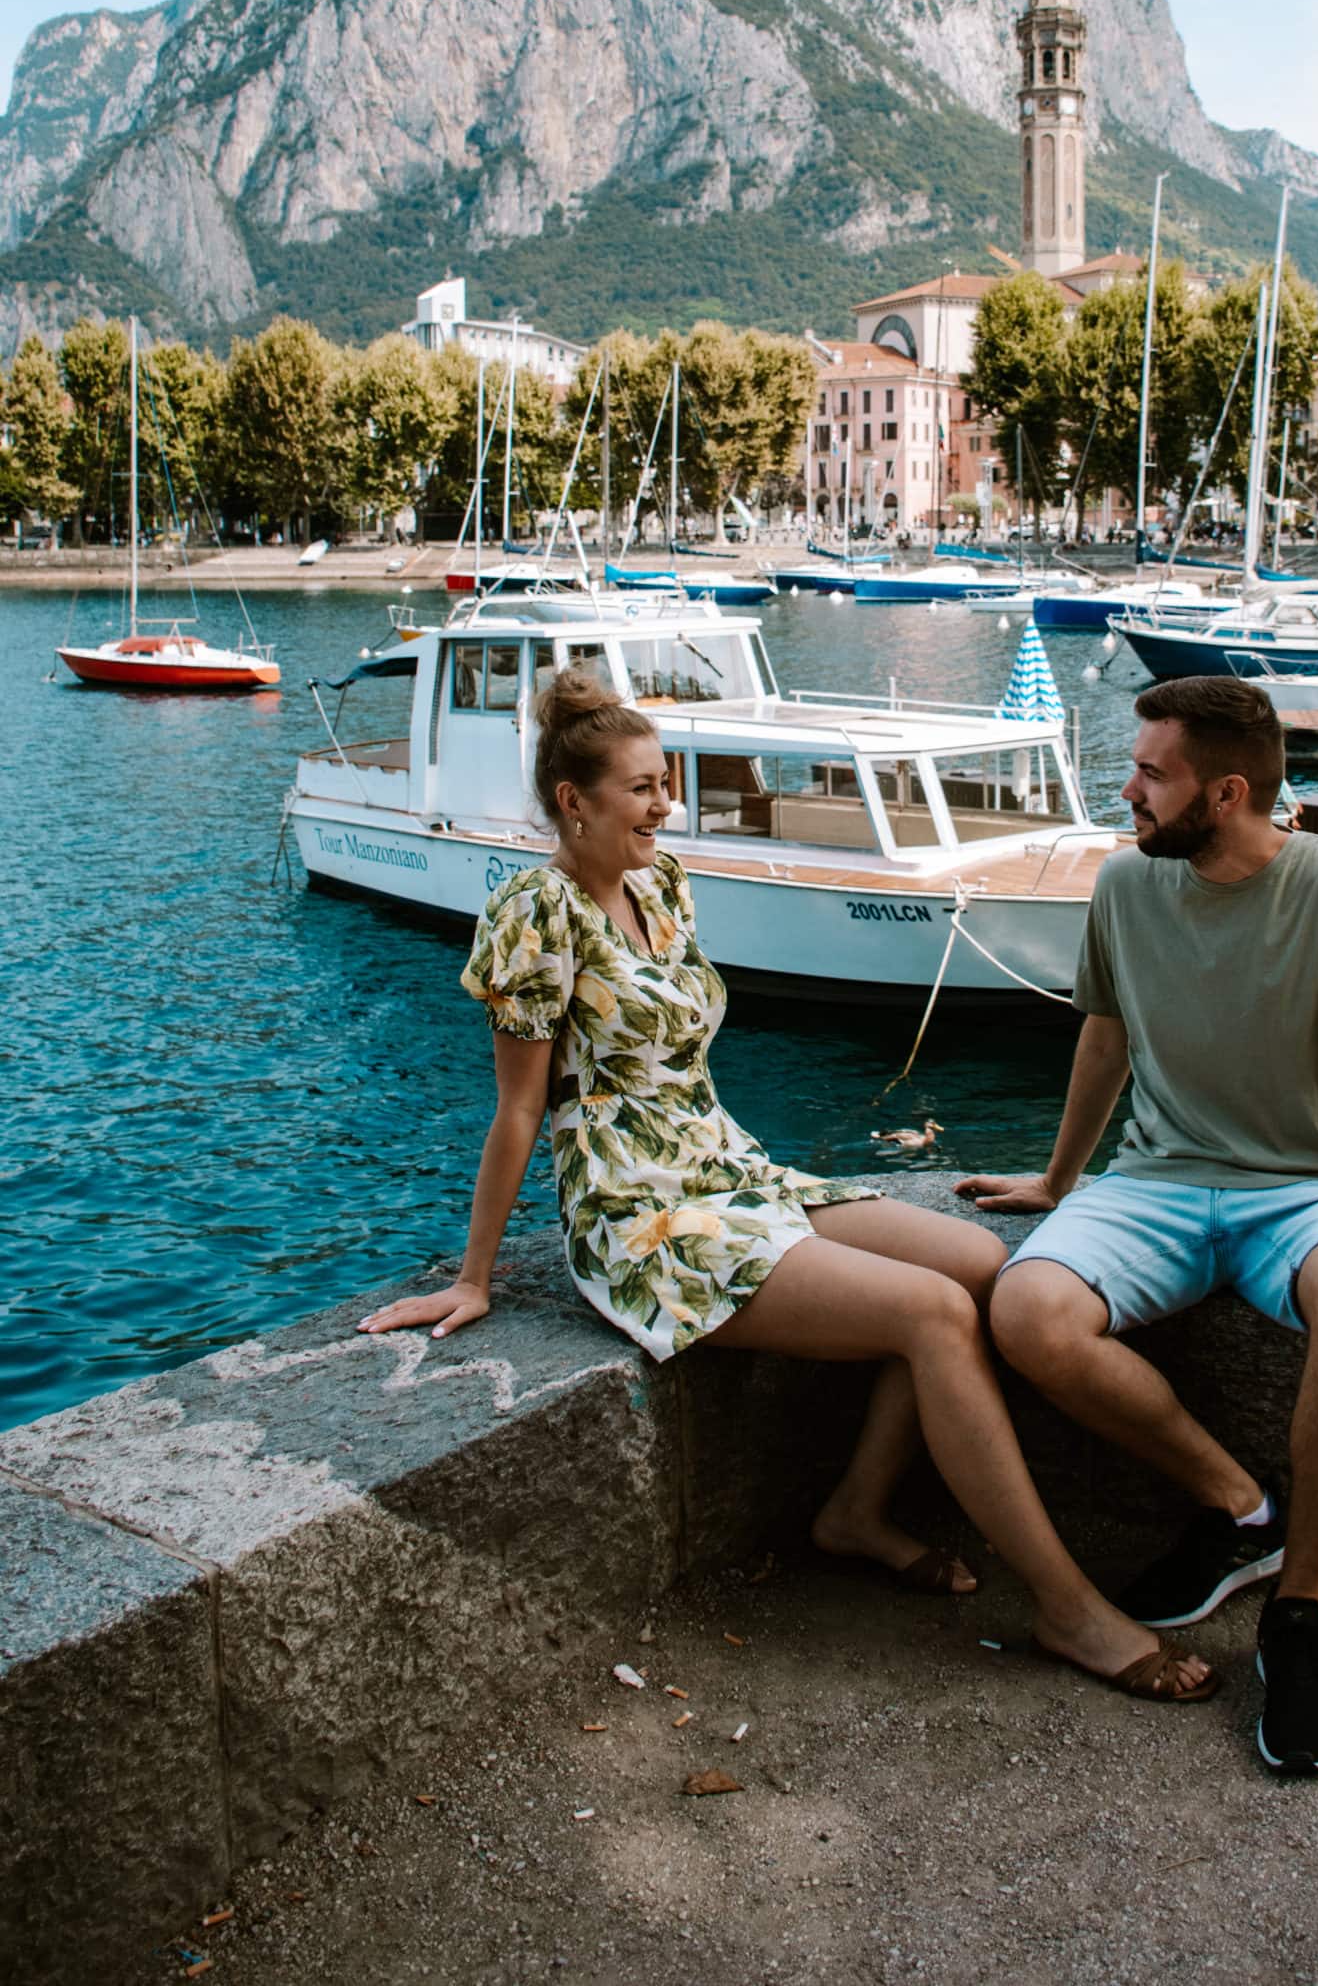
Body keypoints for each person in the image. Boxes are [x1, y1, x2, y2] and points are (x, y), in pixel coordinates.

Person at [359, 671, 1217, 1703]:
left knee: (982, 1262)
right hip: (641, 1207)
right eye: (639, 788)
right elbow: (517, 1111)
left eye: (664, 783)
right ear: (572, 800)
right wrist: (477, 1277)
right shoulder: (530, 916)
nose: (662, 803)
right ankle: (1070, 1608)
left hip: (725, 1162)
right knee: (934, 1314)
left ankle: (854, 1511)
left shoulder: (661, 881)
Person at [958, 674, 1318, 1776]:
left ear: (1224, 793)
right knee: (1025, 1304)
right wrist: (1058, 1180)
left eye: (1148, 773)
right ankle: (1239, 1504)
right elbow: (1105, 1043)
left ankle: (1299, 1609)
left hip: (1306, 1188)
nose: (1124, 790)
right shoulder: (1125, 886)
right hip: (1157, 1181)